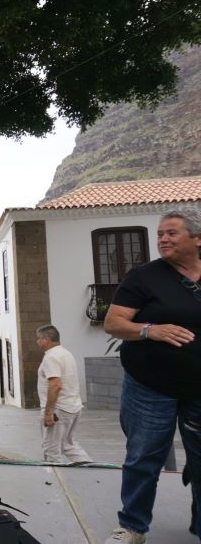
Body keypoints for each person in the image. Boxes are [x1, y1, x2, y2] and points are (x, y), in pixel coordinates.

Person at [103, 208, 201, 544]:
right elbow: (113, 323)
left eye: (171, 233)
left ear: (197, 238)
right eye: (160, 234)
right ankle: (132, 527)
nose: (162, 239)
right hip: (150, 387)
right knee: (144, 458)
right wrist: (150, 330)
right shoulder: (144, 276)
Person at [35, 324, 92, 465]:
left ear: (46, 339)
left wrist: (48, 413)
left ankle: (56, 483)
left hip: (58, 410)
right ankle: (92, 468)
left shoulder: (51, 357)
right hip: (73, 407)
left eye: (38, 339)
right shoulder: (66, 353)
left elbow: (55, 385)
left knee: (51, 450)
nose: (37, 342)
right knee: (68, 445)